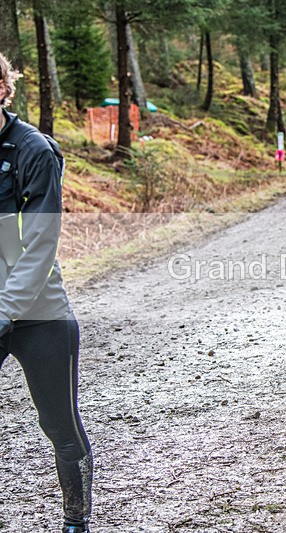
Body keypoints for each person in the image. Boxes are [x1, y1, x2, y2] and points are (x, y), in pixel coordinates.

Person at [0, 53, 93, 533]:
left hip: (40, 313)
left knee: (58, 422)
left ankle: (76, 521)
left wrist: (6, 310)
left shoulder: (33, 151)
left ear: (2, 88)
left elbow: (40, 242)